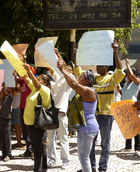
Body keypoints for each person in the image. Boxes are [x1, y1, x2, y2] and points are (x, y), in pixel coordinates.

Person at [74, 41, 125, 172]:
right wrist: (76, 55)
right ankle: (92, 167)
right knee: (90, 144)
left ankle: (103, 167)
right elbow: (78, 70)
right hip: (93, 116)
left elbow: (120, 69)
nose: (98, 67)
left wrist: (115, 52)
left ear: (107, 68)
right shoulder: (92, 79)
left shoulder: (111, 79)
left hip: (106, 115)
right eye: (97, 65)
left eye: (101, 65)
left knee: (105, 143)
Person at [56, 49, 99, 172]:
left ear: (86, 80)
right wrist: (59, 56)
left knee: (83, 157)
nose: (79, 76)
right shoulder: (86, 89)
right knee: (83, 156)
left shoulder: (89, 91)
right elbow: (71, 77)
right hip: (85, 127)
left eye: (82, 76)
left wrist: (61, 70)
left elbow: (73, 83)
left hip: (88, 127)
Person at [22, 63, 51, 172]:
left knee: (37, 149)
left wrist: (30, 71)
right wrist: (20, 64)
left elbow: (36, 83)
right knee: (40, 147)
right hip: (31, 123)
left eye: (40, 79)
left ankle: (37, 169)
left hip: (37, 123)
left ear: (46, 83)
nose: (37, 80)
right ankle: (43, 168)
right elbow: (26, 78)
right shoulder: (35, 89)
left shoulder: (45, 90)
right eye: (37, 78)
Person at [46, 67, 72, 169]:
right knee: (50, 138)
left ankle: (65, 160)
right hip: (51, 113)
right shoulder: (54, 83)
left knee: (63, 138)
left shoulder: (67, 83)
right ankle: (51, 159)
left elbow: (64, 75)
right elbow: (52, 70)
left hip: (61, 113)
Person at [121, 58, 140, 155]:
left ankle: (137, 148)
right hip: (125, 108)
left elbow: (132, 75)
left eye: (127, 73)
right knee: (127, 127)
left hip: (133, 107)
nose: (126, 75)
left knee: (136, 128)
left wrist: (128, 64)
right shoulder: (126, 83)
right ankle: (128, 146)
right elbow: (123, 94)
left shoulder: (136, 82)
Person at [0, 83, 14, 162]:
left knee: (7, 137)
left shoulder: (10, 96)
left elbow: (11, 91)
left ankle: (8, 154)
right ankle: (4, 153)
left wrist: (5, 88)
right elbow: (0, 101)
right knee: (1, 136)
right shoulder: (0, 96)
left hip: (7, 118)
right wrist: (2, 89)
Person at [11, 82, 24, 148]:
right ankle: (19, 142)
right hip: (14, 108)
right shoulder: (13, 90)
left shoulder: (21, 89)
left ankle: (19, 142)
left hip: (18, 108)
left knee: (18, 126)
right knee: (17, 126)